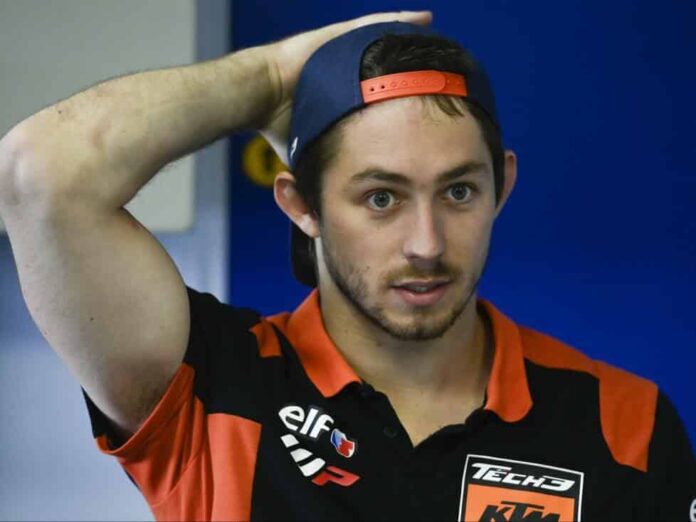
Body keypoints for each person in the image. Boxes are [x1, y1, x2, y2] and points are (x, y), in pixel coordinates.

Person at [0, 10, 693, 521]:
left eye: (458, 192)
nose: (426, 244)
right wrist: (267, 78)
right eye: (381, 198)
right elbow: (39, 176)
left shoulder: (624, 423)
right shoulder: (215, 386)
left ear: (502, 188)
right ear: (302, 204)